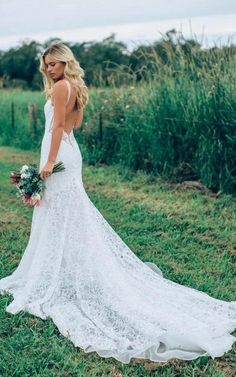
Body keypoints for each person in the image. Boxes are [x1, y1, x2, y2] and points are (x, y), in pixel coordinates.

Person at [0, 43, 235, 365]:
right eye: (46, 64)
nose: (49, 69)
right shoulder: (76, 87)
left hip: (58, 154)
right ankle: (63, 267)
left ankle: (58, 270)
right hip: (71, 151)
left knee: (60, 211)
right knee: (64, 211)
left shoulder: (60, 87)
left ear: (65, 63)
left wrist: (48, 161)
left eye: (54, 64)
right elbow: (74, 125)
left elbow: (56, 127)